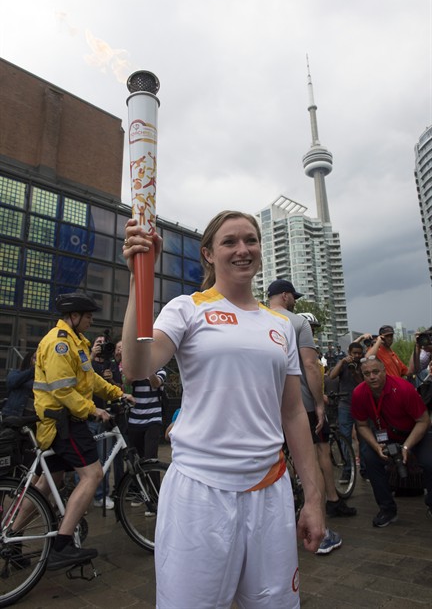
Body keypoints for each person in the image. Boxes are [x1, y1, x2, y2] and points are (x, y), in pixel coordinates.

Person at [122, 211, 324, 609]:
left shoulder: (280, 324)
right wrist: (137, 279)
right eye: (229, 242)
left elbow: (293, 415)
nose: (242, 249)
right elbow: (136, 367)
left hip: (270, 492)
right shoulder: (187, 309)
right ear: (209, 254)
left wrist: (314, 500)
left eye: (250, 240)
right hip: (200, 493)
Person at [32, 293, 134, 570]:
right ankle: (62, 545)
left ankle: (12, 536)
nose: (91, 320)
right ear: (73, 316)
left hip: (60, 422)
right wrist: (94, 410)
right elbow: (62, 389)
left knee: (47, 482)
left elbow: (92, 381)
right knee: (93, 474)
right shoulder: (60, 344)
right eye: (88, 316)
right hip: (64, 423)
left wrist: (117, 393)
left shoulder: (76, 343)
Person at [268, 285, 353, 557]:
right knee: (316, 455)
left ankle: (287, 515)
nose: (294, 301)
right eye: (293, 296)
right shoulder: (298, 322)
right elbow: (310, 365)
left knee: (281, 459)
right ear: (285, 296)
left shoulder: (256, 317)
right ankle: (323, 528)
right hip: (300, 404)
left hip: (270, 408)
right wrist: (318, 402)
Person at [351, 355, 432, 527]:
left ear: (384, 371)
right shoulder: (359, 393)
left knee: (429, 461)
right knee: (370, 458)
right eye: (366, 374)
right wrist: (375, 446)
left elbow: (424, 420)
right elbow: (362, 425)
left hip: (414, 432)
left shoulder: (403, 388)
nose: (372, 377)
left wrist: (407, 446)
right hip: (385, 436)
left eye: (375, 372)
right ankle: (387, 509)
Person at [89, 334, 123, 510]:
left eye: (104, 343)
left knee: (105, 460)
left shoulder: (111, 365)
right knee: (86, 461)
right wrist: (92, 356)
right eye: (98, 343)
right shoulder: (89, 363)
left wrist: (110, 379)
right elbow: (80, 375)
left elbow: (119, 387)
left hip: (106, 417)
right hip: (88, 416)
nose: (101, 346)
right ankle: (86, 496)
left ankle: (102, 495)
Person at [328, 341, 367, 479]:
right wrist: (342, 362)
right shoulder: (344, 363)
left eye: (359, 353)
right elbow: (332, 375)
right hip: (345, 404)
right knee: (345, 437)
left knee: (363, 438)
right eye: (354, 353)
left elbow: (363, 383)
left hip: (361, 404)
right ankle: (347, 470)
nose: (356, 356)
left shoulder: (364, 364)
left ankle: (365, 469)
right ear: (349, 353)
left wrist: (356, 371)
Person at [128, 369, 167, 459]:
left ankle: (153, 473)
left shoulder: (160, 371)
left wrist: (147, 367)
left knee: (151, 457)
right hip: (135, 420)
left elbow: (156, 383)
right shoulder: (136, 369)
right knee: (136, 457)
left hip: (153, 419)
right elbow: (127, 382)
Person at [3, 350, 37, 417]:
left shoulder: (43, 378)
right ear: (29, 359)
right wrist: (33, 369)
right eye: (35, 358)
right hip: (13, 414)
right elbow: (12, 382)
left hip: (31, 417)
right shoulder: (16, 373)